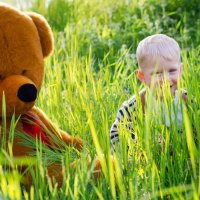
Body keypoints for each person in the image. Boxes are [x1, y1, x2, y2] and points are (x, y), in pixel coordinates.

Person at [110, 34, 188, 150]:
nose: (166, 79)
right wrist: (140, 146)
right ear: (142, 76)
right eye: (157, 73)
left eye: (172, 71)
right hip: (145, 161)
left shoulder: (187, 101)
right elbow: (116, 136)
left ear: (180, 70)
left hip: (181, 160)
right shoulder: (133, 107)